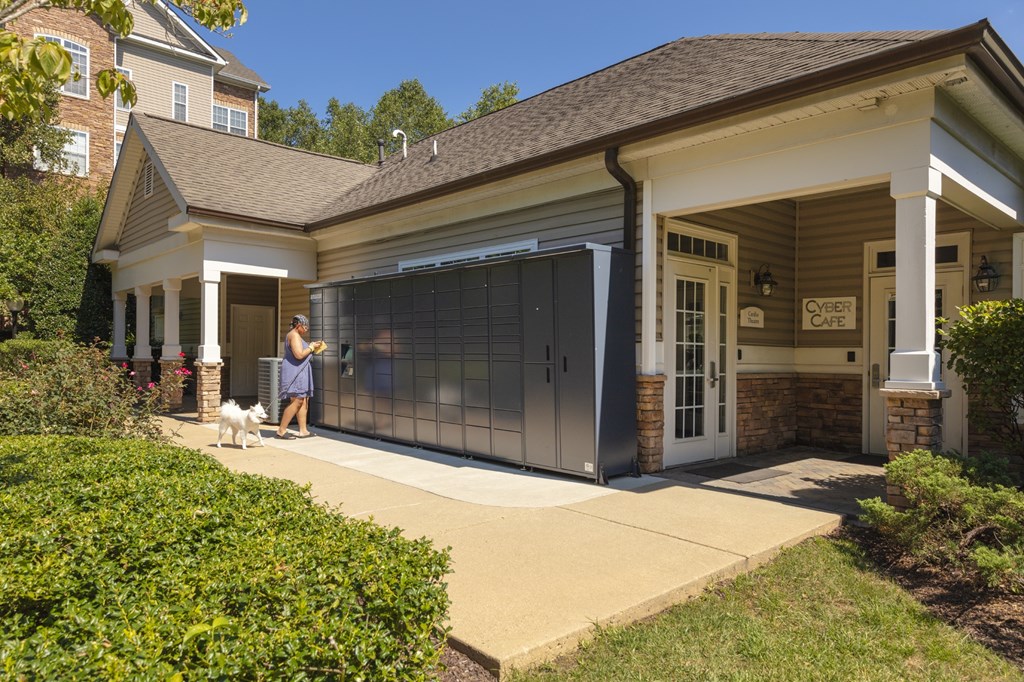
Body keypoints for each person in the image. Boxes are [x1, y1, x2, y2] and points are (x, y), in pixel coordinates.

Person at [276, 314, 324, 439]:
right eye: (305, 327)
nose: (306, 329)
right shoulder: (294, 335)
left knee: (303, 400)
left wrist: (312, 346)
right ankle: (281, 430)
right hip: (295, 372)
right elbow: (299, 354)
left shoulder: (295, 335)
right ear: (298, 325)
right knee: (297, 401)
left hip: (299, 372)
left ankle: (303, 430)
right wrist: (311, 347)